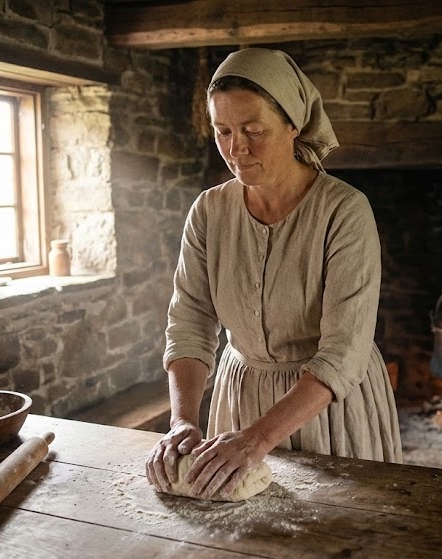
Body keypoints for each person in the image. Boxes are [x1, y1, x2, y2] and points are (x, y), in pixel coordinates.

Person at [144, 48, 403, 500]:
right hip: (240, 397)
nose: (236, 148)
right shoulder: (209, 211)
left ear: (292, 125)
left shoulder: (343, 211)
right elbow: (189, 324)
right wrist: (183, 420)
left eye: (253, 130)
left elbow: (344, 352)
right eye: (223, 131)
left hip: (328, 407)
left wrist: (258, 438)